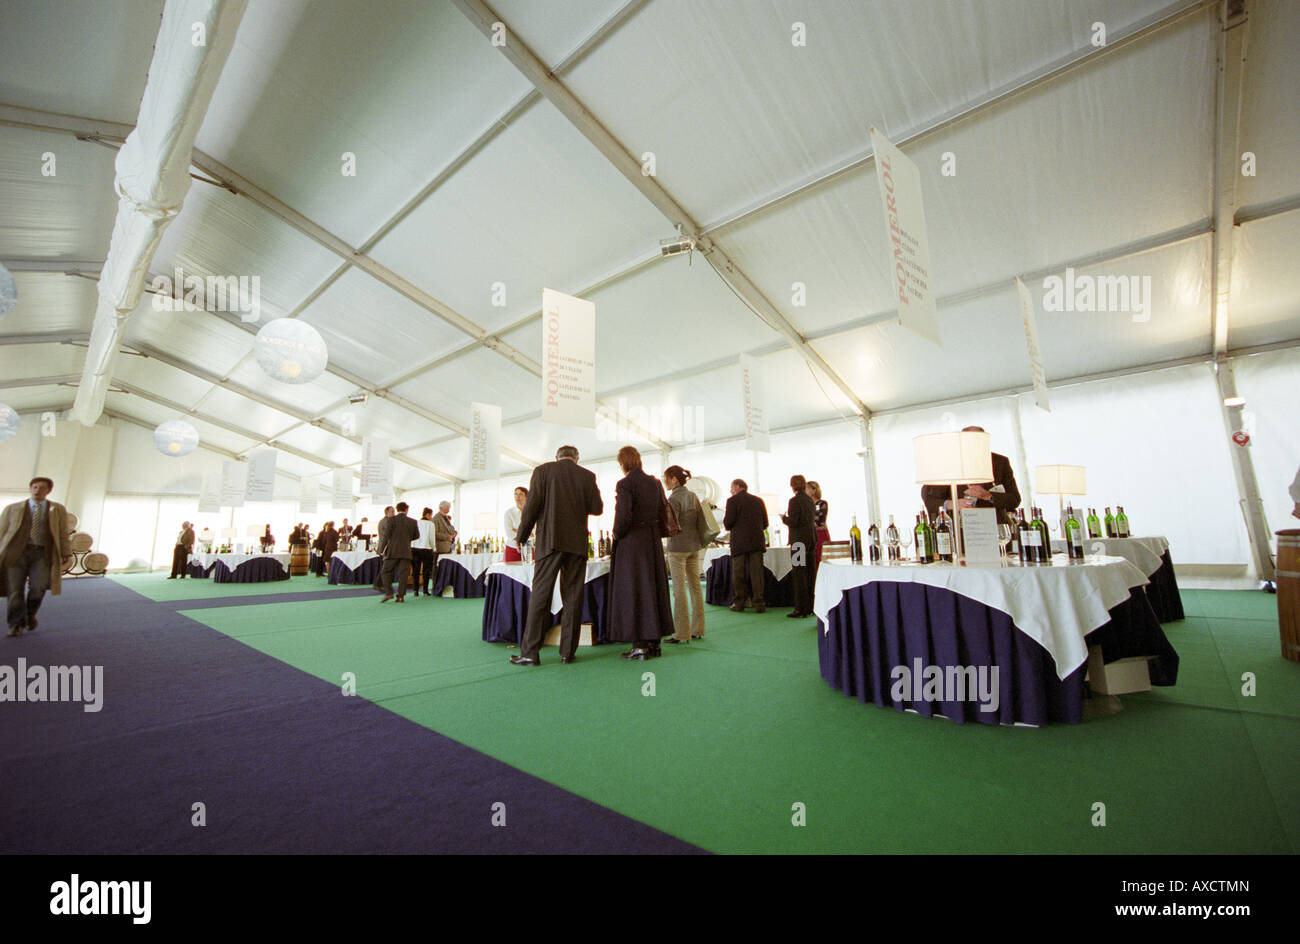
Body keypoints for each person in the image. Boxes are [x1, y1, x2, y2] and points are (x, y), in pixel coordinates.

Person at [510, 445, 603, 667]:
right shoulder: (587, 476)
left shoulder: (542, 471)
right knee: (573, 597)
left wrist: (521, 535)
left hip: (549, 542)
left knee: (540, 596)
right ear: (577, 458)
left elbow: (531, 506)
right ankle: (567, 653)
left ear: (557, 457)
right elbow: (597, 508)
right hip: (577, 545)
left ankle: (530, 653)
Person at [605, 447, 675, 660]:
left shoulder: (625, 484)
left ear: (623, 463)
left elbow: (623, 516)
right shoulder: (654, 483)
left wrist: (616, 534)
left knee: (634, 589)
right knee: (653, 588)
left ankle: (640, 645)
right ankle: (654, 643)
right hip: (651, 541)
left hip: (632, 543)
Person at [1, 477, 74, 637]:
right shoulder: (12, 508)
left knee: (38, 587)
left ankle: (30, 613)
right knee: (14, 590)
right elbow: (2, 531)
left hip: (42, 553)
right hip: (16, 553)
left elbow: (63, 533)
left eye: (41, 488)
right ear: (30, 488)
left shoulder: (57, 509)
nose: (37, 491)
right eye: (34, 487)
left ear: (48, 491)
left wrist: (66, 552)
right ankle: (15, 625)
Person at [921, 426, 1021, 524]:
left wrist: (988, 495)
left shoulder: (999, 462)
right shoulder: (949, 463)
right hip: (959, 528)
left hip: (996, 528)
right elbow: (929, 499)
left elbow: (1014, 500)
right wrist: (953, 504)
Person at [662, 465, 705, 643]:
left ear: (674, 479)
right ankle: (698, 629)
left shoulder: (673, 499)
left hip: (678, 548)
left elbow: (671, 525)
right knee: (696, 587)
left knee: (679, 590)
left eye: (666, 478)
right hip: (694, 546)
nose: (665, 481)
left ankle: (681, 633)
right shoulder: (693, 496)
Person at [722, 479, 768, 613]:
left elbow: (728, 523)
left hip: (739, 542)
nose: (731, 491)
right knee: (757, 574)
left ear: (737, 486)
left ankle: (739, 602)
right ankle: (759, 602)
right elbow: (765, 523)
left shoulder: (732, 501)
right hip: (756, 541)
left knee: (738, 573)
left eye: (731, 487)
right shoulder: (759, 501)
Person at [782, 475, 817, 619]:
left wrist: (784, 519)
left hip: (798, 543)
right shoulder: (809, 500)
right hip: (810, 540)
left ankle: (800, 608)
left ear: (793, 485)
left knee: (798, 574)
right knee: (810, 573)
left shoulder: (794, 501)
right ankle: (811, 606)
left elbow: (794, 522)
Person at [375, 502, 419, 603]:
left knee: (385, 571)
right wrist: (406, 538)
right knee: (403, 575)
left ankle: (389, 592)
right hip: (406, 552)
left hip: (392, 551)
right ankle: (400, 596)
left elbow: (386, 536)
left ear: (397, 509)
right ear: (407, 509)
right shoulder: (413, 522)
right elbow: (416, 536)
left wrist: (381, 550)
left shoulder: (391, 520)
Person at [412, 507, 436, 597]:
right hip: (426, 549)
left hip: (415, 548)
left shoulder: (416, 523)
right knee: (426, 571)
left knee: (416, 570)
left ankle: (415, 590)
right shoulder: (430, 524)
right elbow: (432, 538)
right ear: (428, 515)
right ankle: (425, 590)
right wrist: (434, 548)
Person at [807, 481, 830, 568]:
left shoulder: (822, 503)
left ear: (814, 490)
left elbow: (821, 521)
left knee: (822, 558)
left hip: (820, 535)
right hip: (810, 535)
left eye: (807, 489)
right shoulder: (806, 504)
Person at [503, 487, 527, 563]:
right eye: (516, 494)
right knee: (511, 572)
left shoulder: (531, 512)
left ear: (526, 496)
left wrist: (517, 530)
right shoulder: (509, 513)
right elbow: (509, 532)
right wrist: (524, 533)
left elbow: (534, 531)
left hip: (528, 548)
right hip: (512, 547)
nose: (517, 497)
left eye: (520, 494)